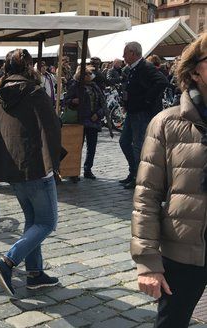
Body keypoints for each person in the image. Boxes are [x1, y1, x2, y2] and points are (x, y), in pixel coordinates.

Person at [131, 33, 207, 328]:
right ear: (194, 71)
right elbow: (146, 197)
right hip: (183, 252)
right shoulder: (167, 124)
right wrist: (148, 261)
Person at [0, 48, 62, 295]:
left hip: (13, 167)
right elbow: (52, 127)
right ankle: (8, 262)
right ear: (29, 67)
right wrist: (54, 163)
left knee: (33, 221)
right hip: (36, 166)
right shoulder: (35, 92)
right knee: (47, 223)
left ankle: (35, 273)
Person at [119, 41, 168, 189]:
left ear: (133, 53)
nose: (123, 56)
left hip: (141, 113)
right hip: (132, 111)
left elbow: (162, 81)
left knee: (138, 146)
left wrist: (147, 100)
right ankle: (133, 171)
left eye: (125, 53)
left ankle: (139, 177)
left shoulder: (146, 67)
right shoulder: (132, 69)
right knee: (124, 142)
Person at [65, 66, 106, 180]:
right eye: (86, 74)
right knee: (77, 147)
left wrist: (98, 114)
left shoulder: (95, 87)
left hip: (93, 120)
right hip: (80, 120)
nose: (88, 76)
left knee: (91, 147)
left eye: (89, 74)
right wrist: (73, 101)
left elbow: (103, 104)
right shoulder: (75, 86)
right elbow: (66, 101)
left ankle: (88, 169)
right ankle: (73, 171)